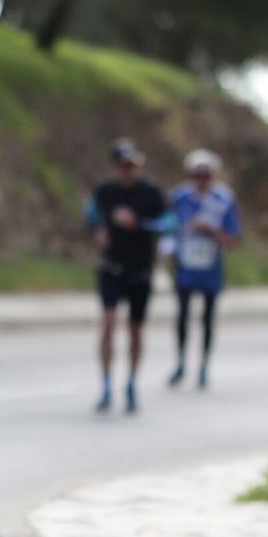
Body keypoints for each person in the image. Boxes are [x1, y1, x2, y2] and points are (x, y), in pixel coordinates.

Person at [87, 138, 168, 414]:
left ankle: (132, 382)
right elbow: (91, 213)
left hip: (140, 268)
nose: (128, 171)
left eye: (132, 166)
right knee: (108, 322)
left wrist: (140, 224)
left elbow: (169, 222)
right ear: (115, 167)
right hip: (112, 267)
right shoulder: (106, 191)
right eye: (123, 166)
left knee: (135, 328)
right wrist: (99, 231)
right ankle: (107, 384)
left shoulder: (151, 192)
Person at [167, 149, 240, 391]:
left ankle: (204, 366)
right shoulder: (179, 198)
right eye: (196, 175)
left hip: (210, 267)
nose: (201, 180)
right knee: (182, 316)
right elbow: (169, 227)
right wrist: (168, 249)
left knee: (208, 318)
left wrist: (210, 231)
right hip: (185, 266)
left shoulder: (224, 200)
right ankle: (180, 363)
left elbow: (233, 238)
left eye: (205, 175)